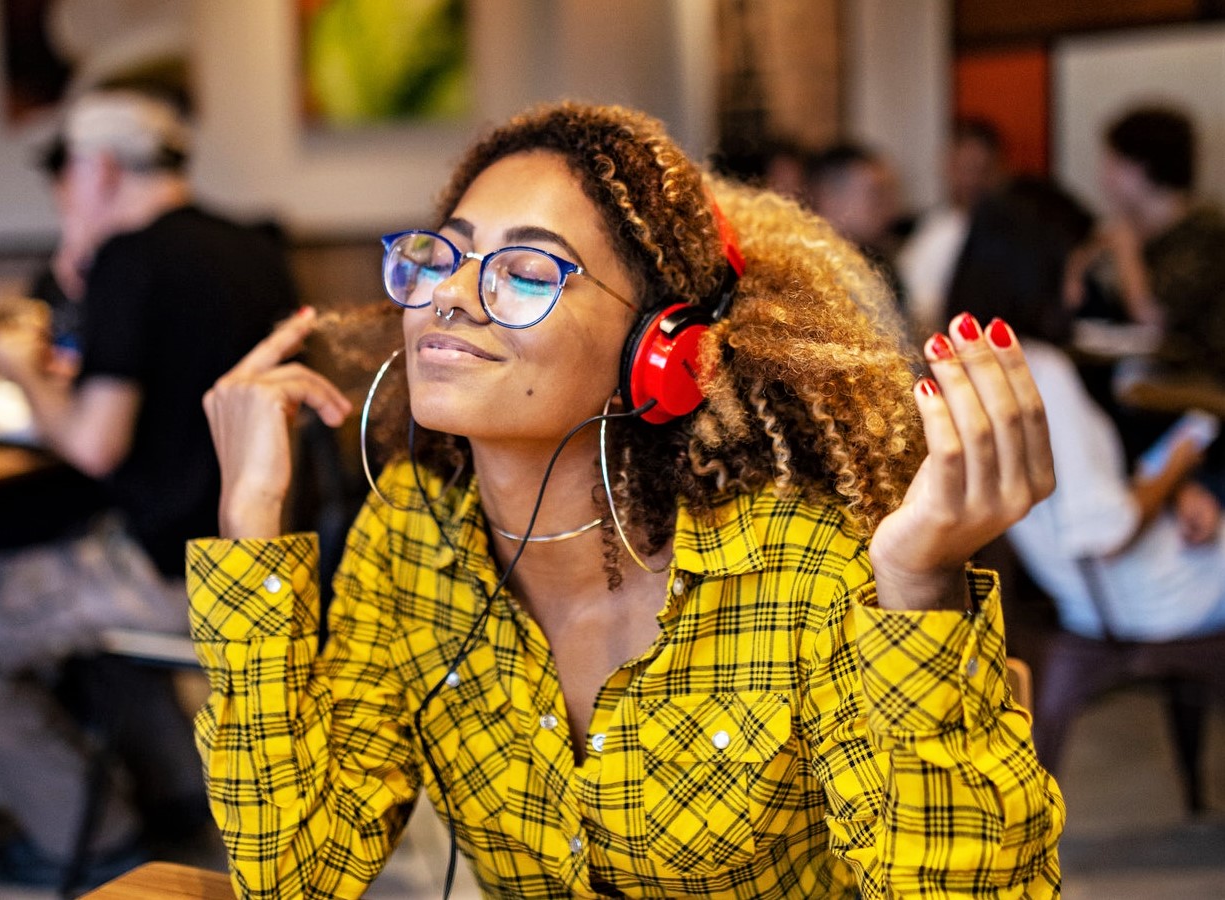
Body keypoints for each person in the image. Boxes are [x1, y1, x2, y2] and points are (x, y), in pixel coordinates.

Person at [190, 102, 1062, 898]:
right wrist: (249, 525)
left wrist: (917, 587)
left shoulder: (796, 562)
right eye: (441, 255)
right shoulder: (410, 532)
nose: (449, 296)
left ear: (661, 352)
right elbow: (296, 876)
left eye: (527, 271)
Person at [0, 87, 297, 887]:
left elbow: (95, 444)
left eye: (65, 177)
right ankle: (173, 794)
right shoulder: (250, 245)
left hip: (166, 569)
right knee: (45, 565)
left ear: (97, 168)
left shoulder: (131, 258)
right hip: (253, 556)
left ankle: (93, 831)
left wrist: (21, 371)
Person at [948, 178, 1225, 645]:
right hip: (1147, 592)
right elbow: (1106, 532)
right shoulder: (1042, 372)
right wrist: (1178, 466)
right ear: (1034, 273)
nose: (1077, 296)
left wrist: (1175, 491)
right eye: (1073, 274)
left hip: (1091, 593)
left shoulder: (975, 365)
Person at [1088, 105, 1225, 381]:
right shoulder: (1140, 230)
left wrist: (1126, 250)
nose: (1105, 177)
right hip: (1147, 379)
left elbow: (1152, 316)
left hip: (1197, 387)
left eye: (1114, 162)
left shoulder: (1204, 232)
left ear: (1143, 167)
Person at [898, 118, 1006, 342]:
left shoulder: (1002, 234)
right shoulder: (931, 224)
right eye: (963, 168)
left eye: (980, 169)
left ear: (998, 170)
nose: (971, 179)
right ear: (946, 165)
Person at [805, 142, 907, 308]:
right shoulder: (807, 273)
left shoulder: (881, 261)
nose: (891, 208)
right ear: (830, 198)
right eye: (876, 194)